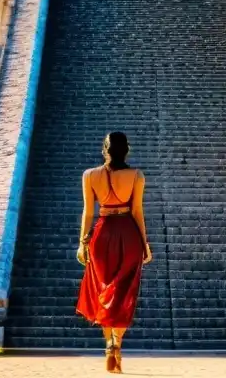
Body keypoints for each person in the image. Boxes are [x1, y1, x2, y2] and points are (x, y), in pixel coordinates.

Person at [76, 132, 151, 373]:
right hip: (128, 234)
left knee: (104, 289)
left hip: (102, 234)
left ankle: (108, 344)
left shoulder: (90, 175)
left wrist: (81, 243)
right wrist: (145, 244)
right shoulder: (136, 175)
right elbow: (137, 211)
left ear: (104, 150)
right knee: (123, 292)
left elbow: (88, 212)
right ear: (126, 150)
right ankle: (118, 344)